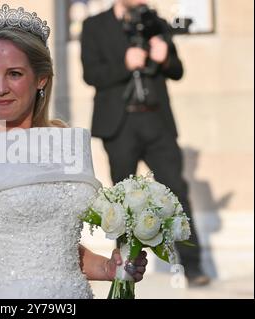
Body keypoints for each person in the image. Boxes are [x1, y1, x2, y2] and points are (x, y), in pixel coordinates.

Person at [0, 4, 147, 299]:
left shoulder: (65, 141)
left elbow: (55, 249)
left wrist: (107, 268)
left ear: (41, 79)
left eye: (14, 74)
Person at [80, 0, 210, 286]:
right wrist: (125, 64)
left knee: (177, 192)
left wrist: (165, 59)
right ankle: (123, 269)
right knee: (122, 204)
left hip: (157, 122)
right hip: (120, 124)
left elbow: (177, 71)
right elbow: (92, 74)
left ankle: (194, 266)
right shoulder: (94, 26)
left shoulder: (156, 22)